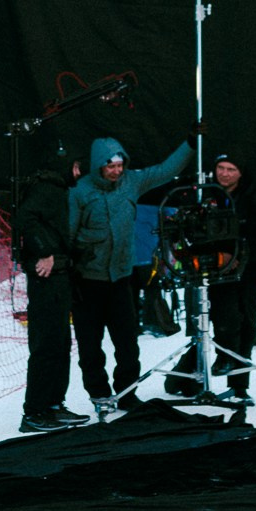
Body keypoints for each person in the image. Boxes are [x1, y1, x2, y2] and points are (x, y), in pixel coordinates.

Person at [68, 136, 193, 414]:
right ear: (98, 165)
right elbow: (68, 232)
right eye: (110, 166)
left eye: (119, 165)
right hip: (88, 282)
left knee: (127, 343)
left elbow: (165, 171)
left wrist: (189, 143)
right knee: (91, 347)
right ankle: (99, 394)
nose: (116, 171)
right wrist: (76, 259)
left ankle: (126, 392)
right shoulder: (80, 192)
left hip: (121, 279)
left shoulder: (131, 182)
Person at [14, 152, 88, 432]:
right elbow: (25, 219)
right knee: (46, 345)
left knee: (60, 344)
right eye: (77, 167)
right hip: (45, 278)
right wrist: (46, 252)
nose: (78, 173)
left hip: (59, 276)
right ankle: (34, 411)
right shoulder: (45, 188)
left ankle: (54, 405)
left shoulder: (57, 189)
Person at [207, 154, 256, 400]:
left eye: (231, 169)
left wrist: (239, 256)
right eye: (220, 168)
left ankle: (239, 385)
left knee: (247, 322)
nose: (224, 174)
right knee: (224, 317)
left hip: (250, 268)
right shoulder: (208, 195)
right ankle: (223, 357)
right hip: (218, 268)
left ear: (240, 173)